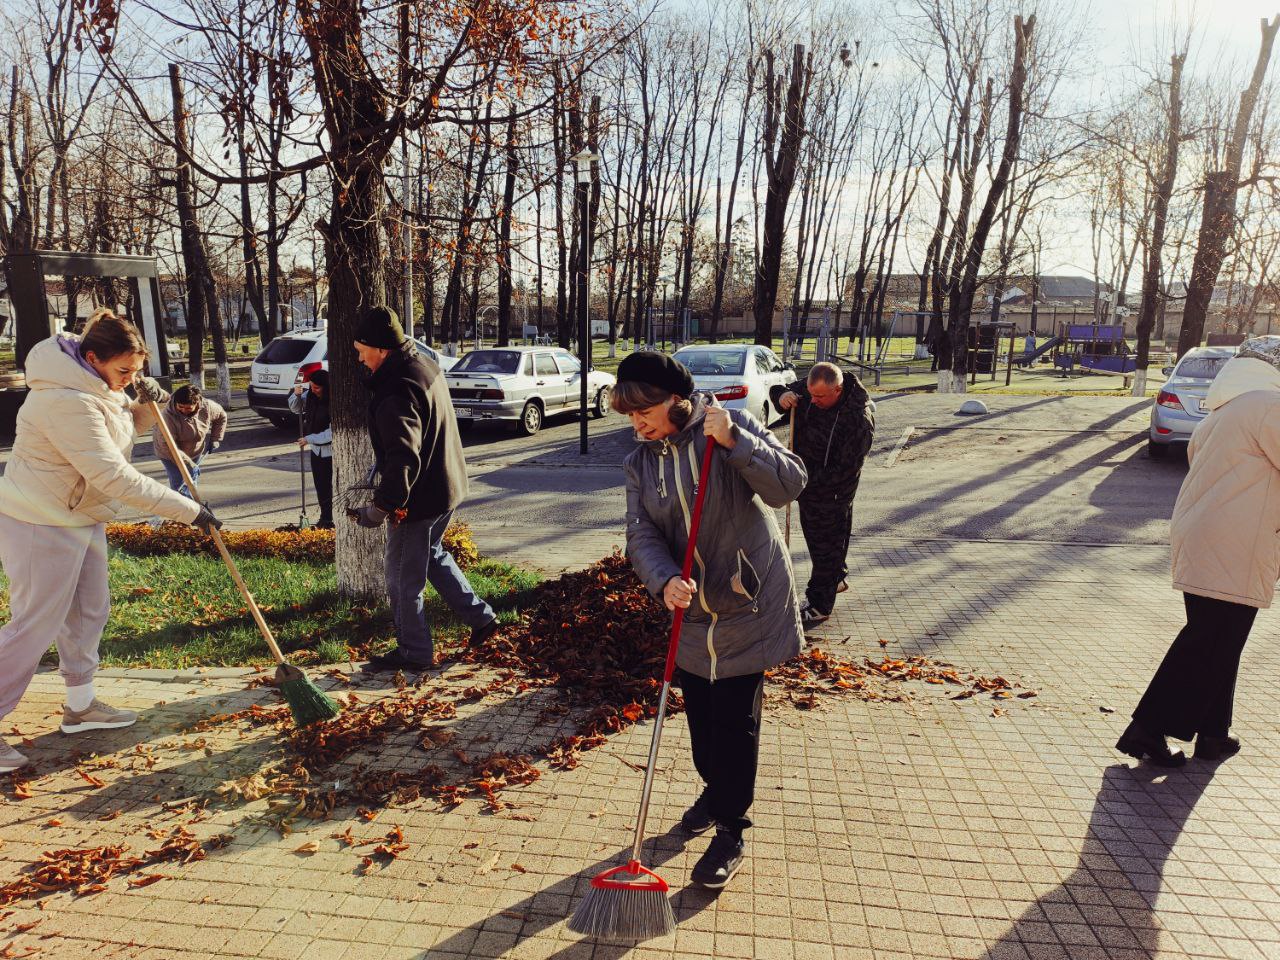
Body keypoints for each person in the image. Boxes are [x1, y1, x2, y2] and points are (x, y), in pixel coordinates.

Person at [614, 351, 807, 890]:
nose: (637, 423)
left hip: (747, 602)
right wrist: (661, 579)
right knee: (701, 724)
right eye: (628, 414)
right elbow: (641, 534)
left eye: (643, 409)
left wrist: (736, 444)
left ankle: (731, 828)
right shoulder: (641, 460)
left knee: (735, 725)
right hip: (691, 611)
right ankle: (713, 789)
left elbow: (789, 485)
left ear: (676, 400)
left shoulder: (727, 425)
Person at [0, 309, 220, 773]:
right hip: (42, 519)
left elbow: (121, 431)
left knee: (88, 610)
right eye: (124, 371)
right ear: (94, 357)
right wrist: (189, 510)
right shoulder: (65, 399)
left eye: (137, 371)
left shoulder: (96, 385)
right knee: (35, 624)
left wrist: (144, 404)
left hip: (80, 513)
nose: (130, 379)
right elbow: (111, 474)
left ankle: (80, 707)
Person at [1117, 336, 1280, 767]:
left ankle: (1212, 733)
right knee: (1210, 641)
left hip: (1207, 535)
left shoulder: (1224, 411)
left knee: (1219, 639)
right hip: (1237, 541)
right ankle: (1147, 730)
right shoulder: (1268, 405)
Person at [346, 307, 498, 672]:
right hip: (446, 485)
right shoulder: (421, 363)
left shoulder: (394, 390)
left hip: (418, 498)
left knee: (401, 578)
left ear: (381, 349)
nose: (359, 356)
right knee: (432, 556)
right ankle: (482, 620)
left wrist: (380, 508)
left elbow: (403, 457)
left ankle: (415, 652)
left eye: (361, 349)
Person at [770, 361, 875, 632]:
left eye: (820, 397)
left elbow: (845, 471)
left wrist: (802, 480)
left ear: (837, 390)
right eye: (810, 394)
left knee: (826, 545)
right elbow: (777, 390)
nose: (812, 401)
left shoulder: (858, 420)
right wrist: (782, 396)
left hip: (834, 493)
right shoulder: (813, 388)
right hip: (807, 486)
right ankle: (835, 579)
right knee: (820, 543)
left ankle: (819, 606)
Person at [152, 384, 226, 499]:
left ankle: (192, 507)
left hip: (195, 450)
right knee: (179, 484)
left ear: (196, 404)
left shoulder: (207, 407)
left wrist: (216, 439)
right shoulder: (167, 416)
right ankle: (183, 511)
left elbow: (221, 416)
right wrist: (189, 464)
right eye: (180, 406)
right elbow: (169, 446)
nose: (183, 410)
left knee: (192, 481)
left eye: (188, 408)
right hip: (169, 453)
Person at [288, 369, 333, 529]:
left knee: (331, 486)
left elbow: (333, 433)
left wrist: (309, 439)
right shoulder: (310, 396)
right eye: (311, 386)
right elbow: (295, 408)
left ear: (326, 387)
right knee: (321, 486)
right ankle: (326, 517)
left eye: (317, 388)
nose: (314, 390)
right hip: (316, 451)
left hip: (331, 452)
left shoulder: (334, 401)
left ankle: (333, 518)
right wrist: (296, 394)